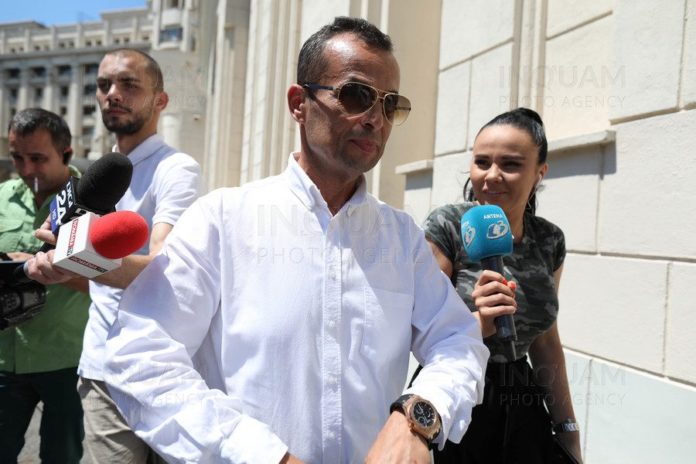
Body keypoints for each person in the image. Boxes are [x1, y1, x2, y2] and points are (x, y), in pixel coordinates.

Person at [101, 17, 489, 464]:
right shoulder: (222, 219)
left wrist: (418, 418)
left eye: (390, 105)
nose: (375, 119)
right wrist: (262, 455)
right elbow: (141, 355)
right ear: (299, 103)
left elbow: (458, 339)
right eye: (356, 95)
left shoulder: (400, 237)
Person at [25, 48, 202, 463]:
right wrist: (54, 265)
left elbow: (165, 269)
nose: (113, 94)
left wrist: (77, 258)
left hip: (161, 369)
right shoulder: (94, 176)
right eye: (104, 84)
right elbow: (99, 280)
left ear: (160, 100)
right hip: (101, 370)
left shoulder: (176, 170)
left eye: (129, 84)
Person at [420, 108, 582, 463]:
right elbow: (422, 332)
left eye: (510, 164)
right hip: (456, 389)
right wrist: (479, 322)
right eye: (482, 162)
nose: (492, 175)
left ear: (540, 172)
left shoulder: (549, 240)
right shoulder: (448, 226)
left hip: (522, 398)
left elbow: (545, 340)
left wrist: (568, 428)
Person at [0, 108, 91, 464]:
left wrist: (56, 270)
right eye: (17, 157)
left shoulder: (94, 204)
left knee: (61, 457)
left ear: (66, 154)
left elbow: (111, 283)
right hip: (6, 358)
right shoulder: (3, 196)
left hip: (66, 361)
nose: (26, 170)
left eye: (38, 159)